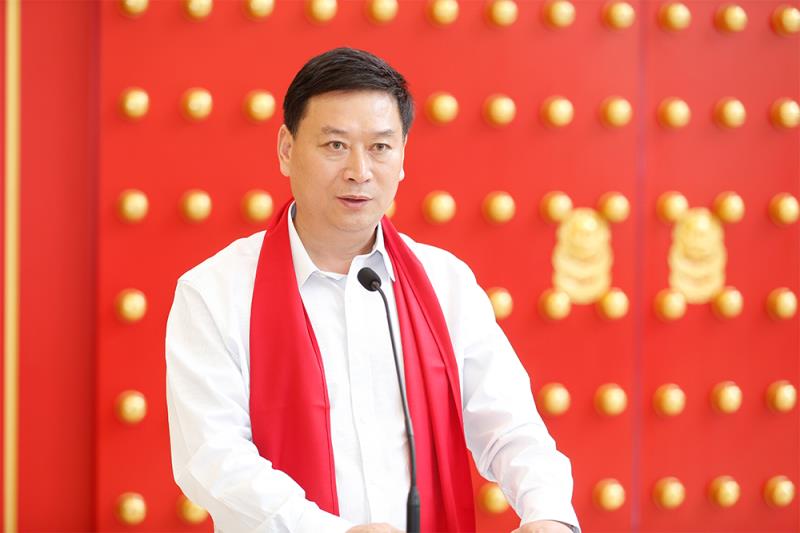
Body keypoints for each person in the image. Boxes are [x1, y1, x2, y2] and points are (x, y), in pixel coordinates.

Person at [166, 47, 580, 533]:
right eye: (335, 145)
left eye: (380, 147)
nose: (359, 171)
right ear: (286, 149)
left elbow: (508, 424)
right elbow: (212, 455)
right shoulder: (214, 291)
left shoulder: (444, 282)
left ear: (403, 157)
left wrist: (549, 513)